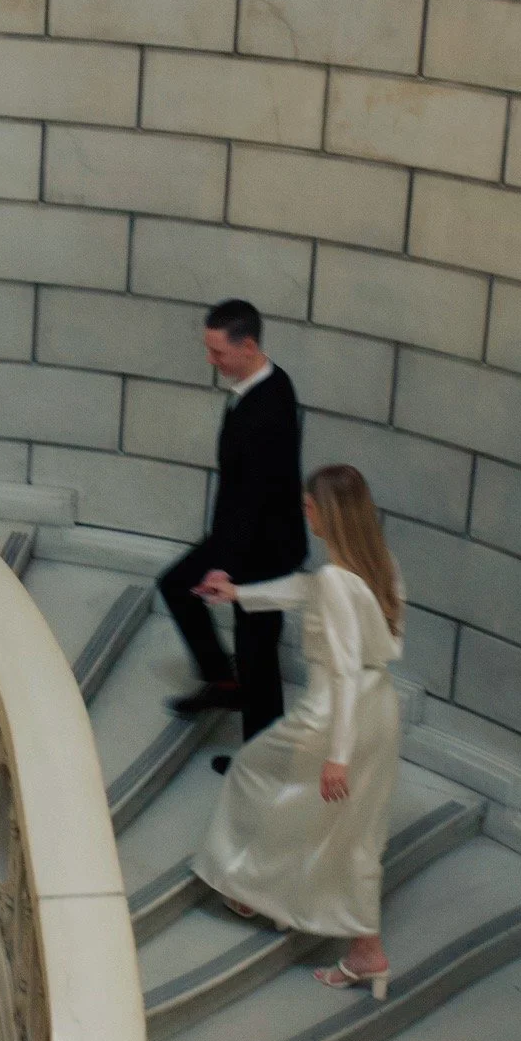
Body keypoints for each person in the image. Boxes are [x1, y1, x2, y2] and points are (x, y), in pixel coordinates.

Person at [190, 464, 404, 998]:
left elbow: (346, 665)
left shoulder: (337, 579)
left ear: (328, 513)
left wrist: (337, 754)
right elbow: (303, 589)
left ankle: (254, 891)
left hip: (334, 713)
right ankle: (364, 952)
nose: (304, 514)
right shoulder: (377, 568)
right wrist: (237, 594)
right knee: (355, 831)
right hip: (380, 711)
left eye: (309, 506)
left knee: (251, 776)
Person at [158, 299, 305, 763]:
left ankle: (260, 765)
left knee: (258, 652)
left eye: (218, 352)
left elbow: (254, 497)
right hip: (242, 534)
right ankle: (223, 681)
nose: (211, 360)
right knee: (177, 585)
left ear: (249, 346)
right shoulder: (260, 383)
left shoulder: (268, 411)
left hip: (267, 550)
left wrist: (227, 569)